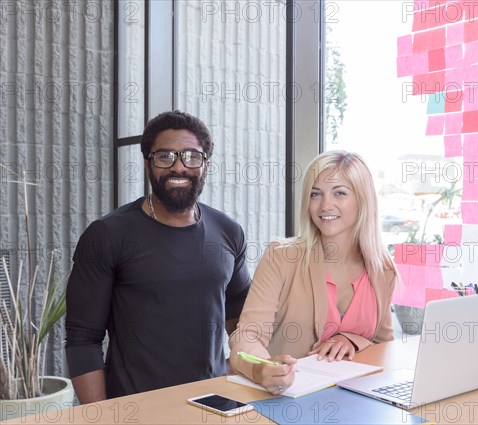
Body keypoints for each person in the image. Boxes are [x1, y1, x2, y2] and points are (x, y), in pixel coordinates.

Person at [65, 111, 251, 403]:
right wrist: (100, 418)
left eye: (191, 156)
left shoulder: (228, 232)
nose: (179, 167)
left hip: (213, 404)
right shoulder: (107, 235)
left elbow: (241, 320)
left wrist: (240, 372)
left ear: (206, 164)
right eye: (165, 156)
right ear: (147, 164)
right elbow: (82, 340)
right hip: (136, 409)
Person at [229, 150, 399, 395]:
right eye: (315, 194)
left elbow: (385, 348)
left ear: (363, 199)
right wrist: (261, 369)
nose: (325, 205)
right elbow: (246, 336)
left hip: (357, 404)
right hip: (284, 403)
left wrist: (352, 340)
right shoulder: (282, 256)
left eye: (339, 193)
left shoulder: (381, 269)